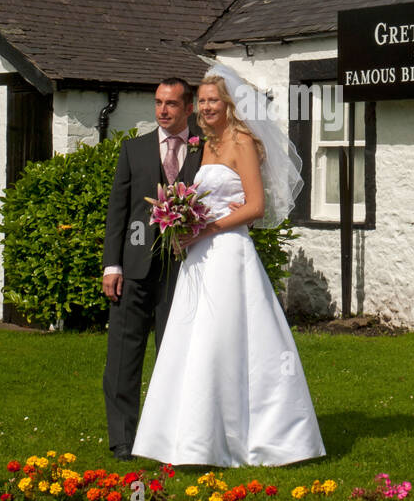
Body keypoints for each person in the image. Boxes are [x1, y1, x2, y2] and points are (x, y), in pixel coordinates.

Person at [131, 62, 326, 467]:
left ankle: (248, 438)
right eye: (200, 102)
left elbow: (255, 206)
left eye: (212, 100)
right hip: (199, 256)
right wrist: (185, 222)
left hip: (229, 254)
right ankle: (189, 438)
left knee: (226, 340)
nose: (205, 107)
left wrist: (207, 228)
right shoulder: (207, 144)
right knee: (192, 340)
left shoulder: (240, 141)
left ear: (230, 103)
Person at [101, 78, 204, 461]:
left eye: (172, 104)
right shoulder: (134, 149)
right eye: (159, 103)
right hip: (134, 267)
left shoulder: (204, 150)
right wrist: (112, 265)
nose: (163, 110)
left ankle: (168, 436)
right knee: (123, 356)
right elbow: (119, 212)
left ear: (187, 108)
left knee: (174, 354)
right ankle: (123, 440)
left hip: (185, 269)